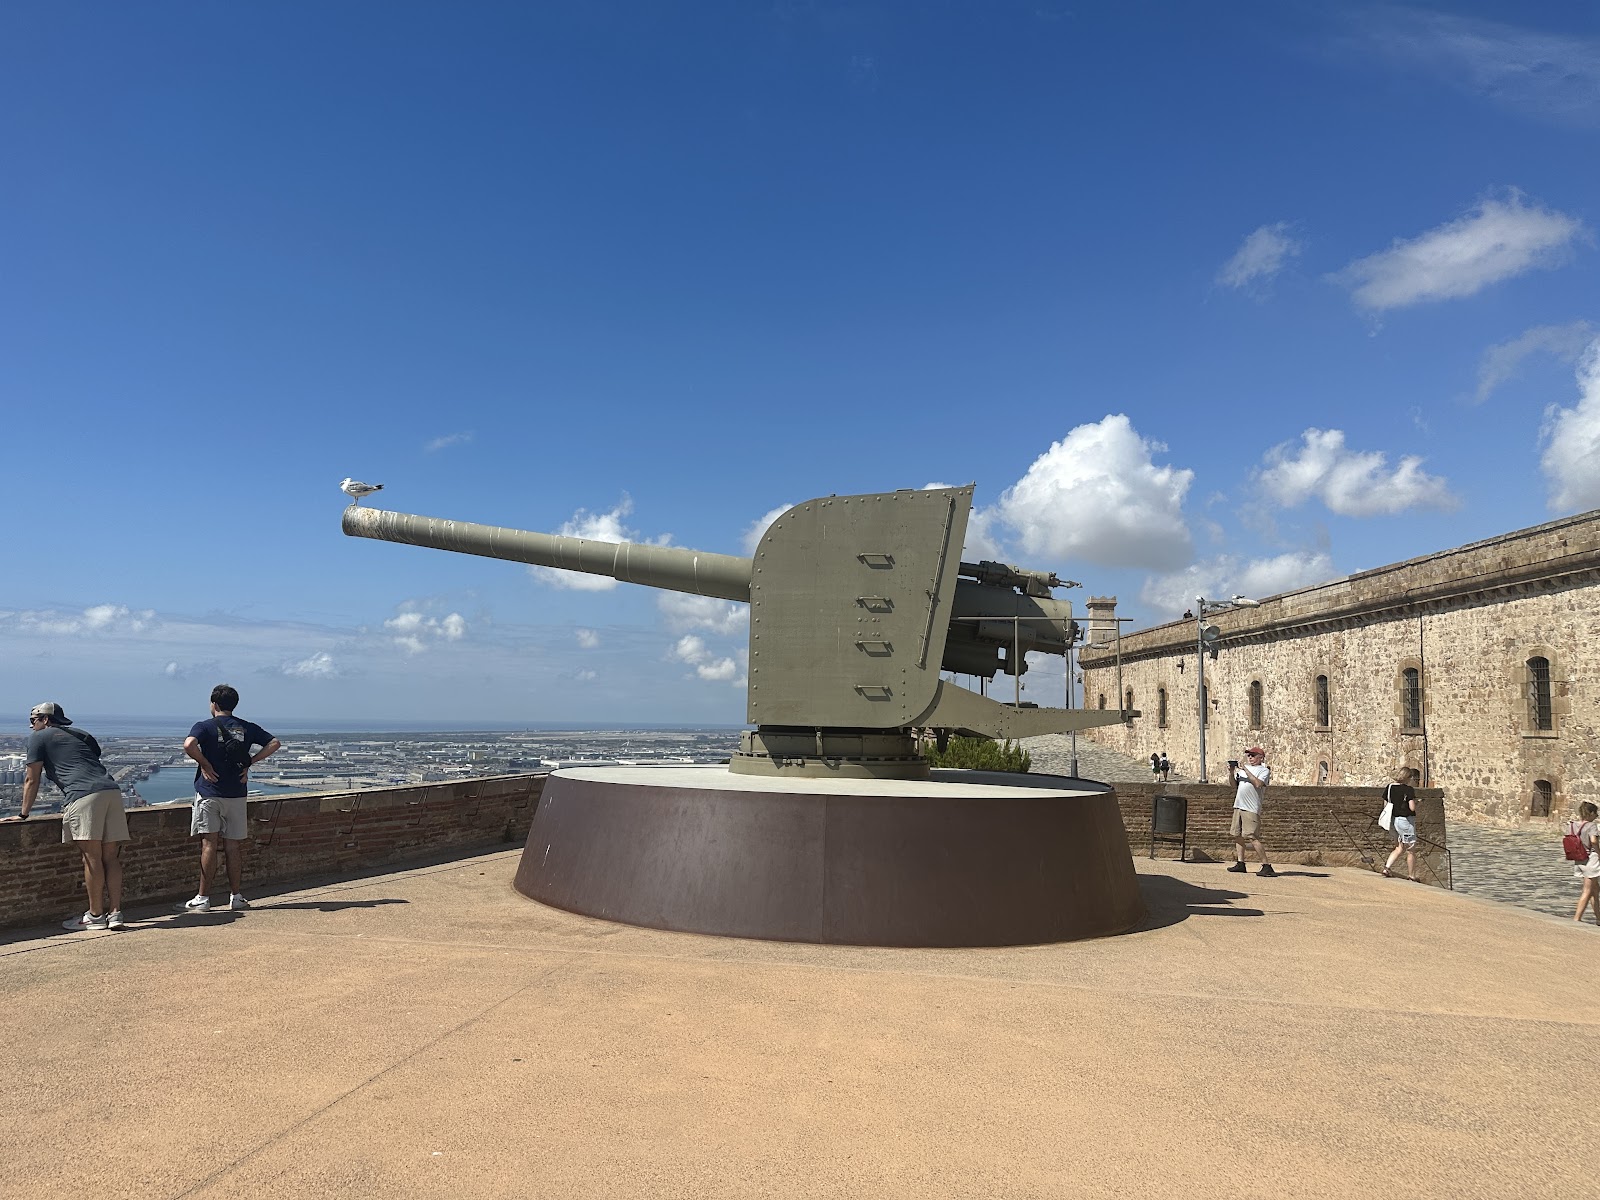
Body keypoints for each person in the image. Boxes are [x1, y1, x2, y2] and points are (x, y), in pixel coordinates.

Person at [22, 702, 130, 932]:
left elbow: (32, 779)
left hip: (83, 796)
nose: (31, 726)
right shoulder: (81, 735)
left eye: (33, 720)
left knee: (91, 858)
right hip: (111, 791)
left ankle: (95, 916)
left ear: (45, 720)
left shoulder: (38, 738)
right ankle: (116, 913)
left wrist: (23, 814)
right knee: (110, 858)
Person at [179, 684, 280, 914]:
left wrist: (204, 764)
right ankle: (236, 896)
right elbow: (274, 743)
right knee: (233, 846)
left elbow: (189, 745)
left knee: (209, 845)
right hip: (237, 792)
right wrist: (249, 763)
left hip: (210, 792)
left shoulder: (204, 726)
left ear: (213, 704)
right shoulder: (247, 727)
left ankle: (203, 898)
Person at [1226, 746, 1275, 877]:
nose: (1250, 758)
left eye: (1253, 755)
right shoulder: (1241, 772)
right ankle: (1240, 863)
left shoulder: (1263, 771)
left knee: (1252, 836)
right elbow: (1233, 785)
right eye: (1249, 755)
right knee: (1237, 835)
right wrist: (1231, 772)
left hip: (1251, 808)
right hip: (1239, 806)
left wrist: (1246, 769)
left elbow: (1258, 784)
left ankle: (1266, 865)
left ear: (1260, 758)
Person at [1381, 767, 1420, 881]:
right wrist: (1417, 802)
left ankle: (1386, 868)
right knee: (1410, 849)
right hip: (1405, 822)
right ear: (1408, 778)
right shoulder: (1408, 790)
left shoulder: (1390, 787)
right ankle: (1411, 875)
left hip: (1392, 820)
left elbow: (1386, 803)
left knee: (1399, 847)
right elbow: (1411, 807)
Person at [1572, 801, 1600, 925]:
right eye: (1596, 813)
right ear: (1591, 813)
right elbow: (1593, 841)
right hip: (1591, 859)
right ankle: (1576, 918)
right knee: (1587, 890)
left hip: (1579, 858)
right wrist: (1599, 852)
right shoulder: (1591, 826)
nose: (1597, 816)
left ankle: (1599, 918)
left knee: (1595, 890)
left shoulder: (1572, 825)